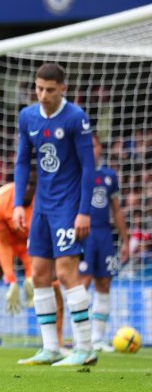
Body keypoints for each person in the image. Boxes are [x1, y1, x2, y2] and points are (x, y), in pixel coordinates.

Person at [15, 63, 97, 366]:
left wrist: (84, 212)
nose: (43, 94)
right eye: (39, 88)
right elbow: (23, 162)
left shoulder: (76, 117)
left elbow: (89, 167)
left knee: (65, 273)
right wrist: (17, 205)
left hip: (68, 206)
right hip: (41, 206)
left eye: (50, 89)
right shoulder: (28, 117)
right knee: (38, 274)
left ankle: (85, 348)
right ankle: (51, 347)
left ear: (63, 88)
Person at [0, 178, 64, 356]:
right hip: (3, 241)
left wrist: (31, 275)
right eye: (26, 182)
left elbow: (40, 240)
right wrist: (11, 280)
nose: (29, 187)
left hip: (32, 244)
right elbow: (3, 243)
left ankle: (58, 342)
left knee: (53, 282)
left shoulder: (46, 202)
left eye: (33, 183)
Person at [80, 132, 130, 352]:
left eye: (94, 145)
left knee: (104, 283)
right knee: (83, 283)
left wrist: (126, 240)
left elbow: (116, 211)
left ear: (100, 148)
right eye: (87, 146)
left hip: (104, 235)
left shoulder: (109, 175)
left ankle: (97, 338)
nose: (91, 149)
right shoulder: (77, 172)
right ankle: (81, 337)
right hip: (83, 234)